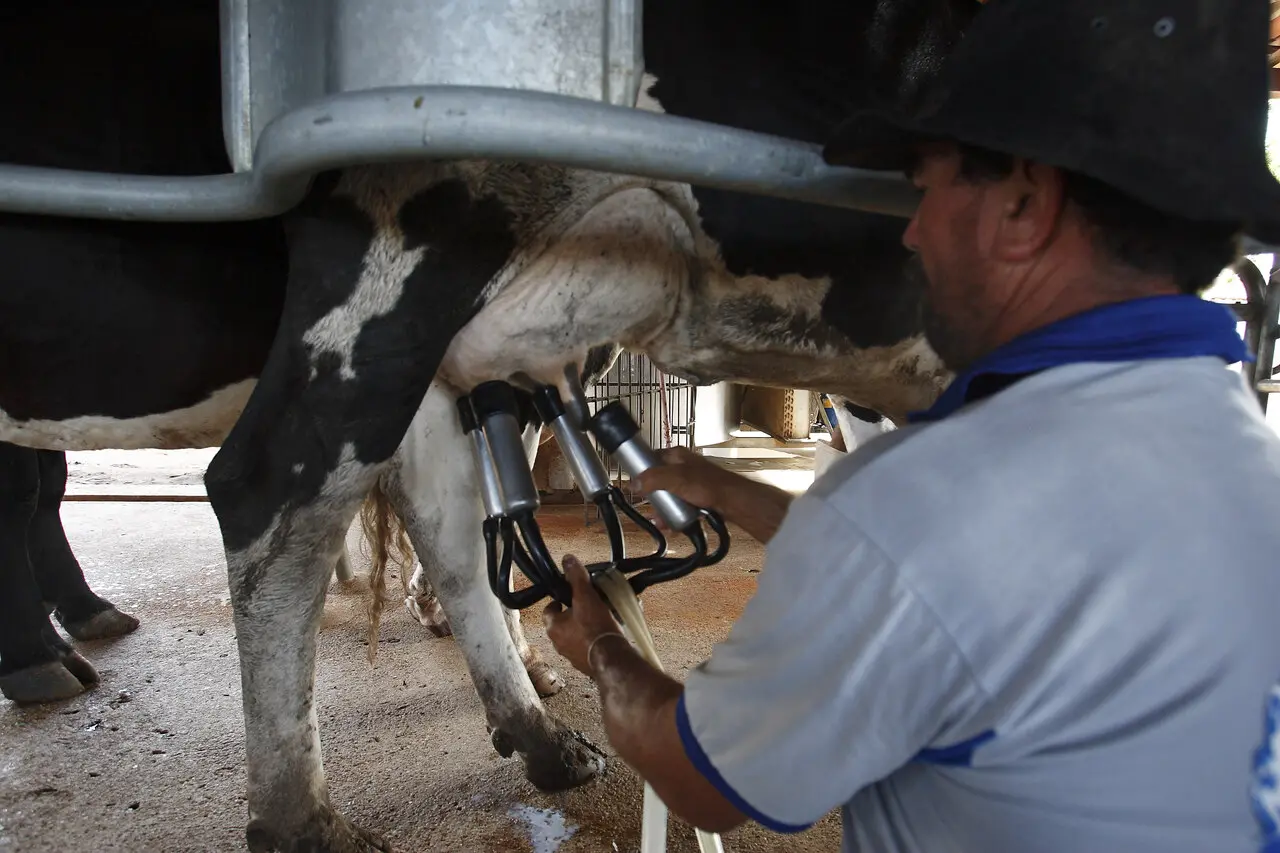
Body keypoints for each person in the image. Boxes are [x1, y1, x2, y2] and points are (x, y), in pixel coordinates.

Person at [543, 2, 1280, 851]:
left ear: (1024, 204)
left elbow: (696, 777)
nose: (913, 230)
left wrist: (597, 642)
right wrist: (717, 484)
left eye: (926, 186)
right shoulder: (1238, 454)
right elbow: (943, 585)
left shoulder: (925, 505)